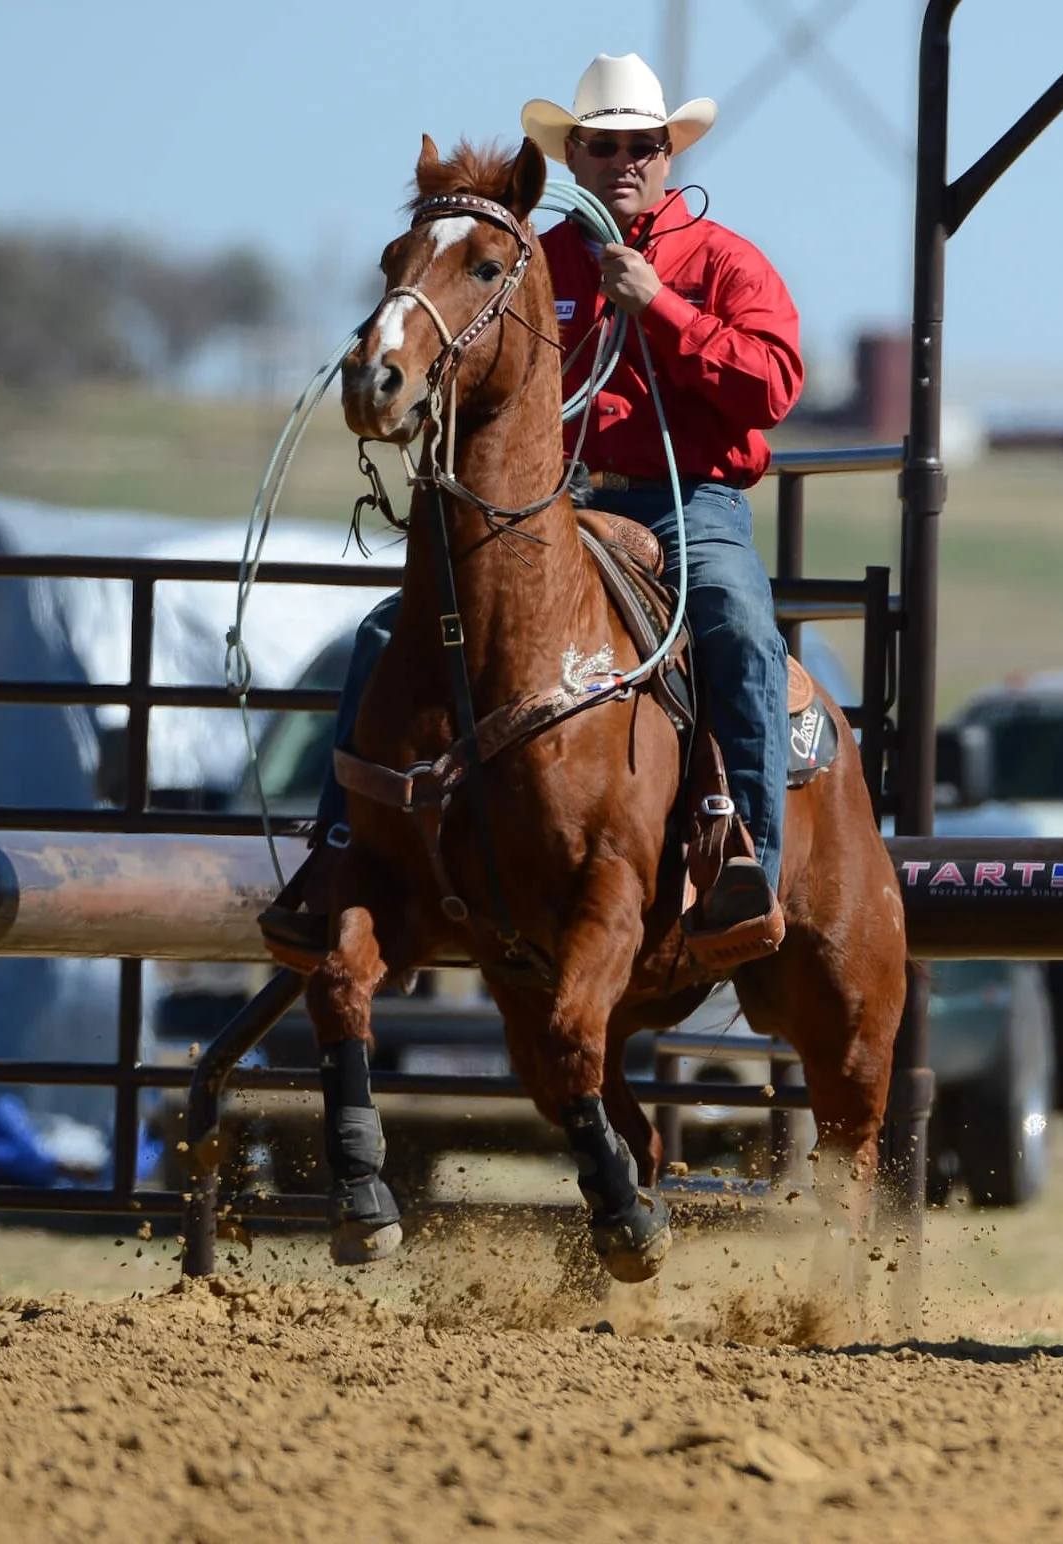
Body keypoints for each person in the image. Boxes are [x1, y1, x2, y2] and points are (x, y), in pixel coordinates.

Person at [261, 52, 803, 970]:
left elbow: (773, 386)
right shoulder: (523, 261)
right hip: (555, 507)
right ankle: (338, 854)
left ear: (669, 155)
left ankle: (744, 859)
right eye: (604, 145)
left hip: (689, 509)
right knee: (388, 634)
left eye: (643, 145)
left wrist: (660, 307)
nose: (624, 160)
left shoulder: (723, 262)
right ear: (574, 157)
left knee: (740, 628)